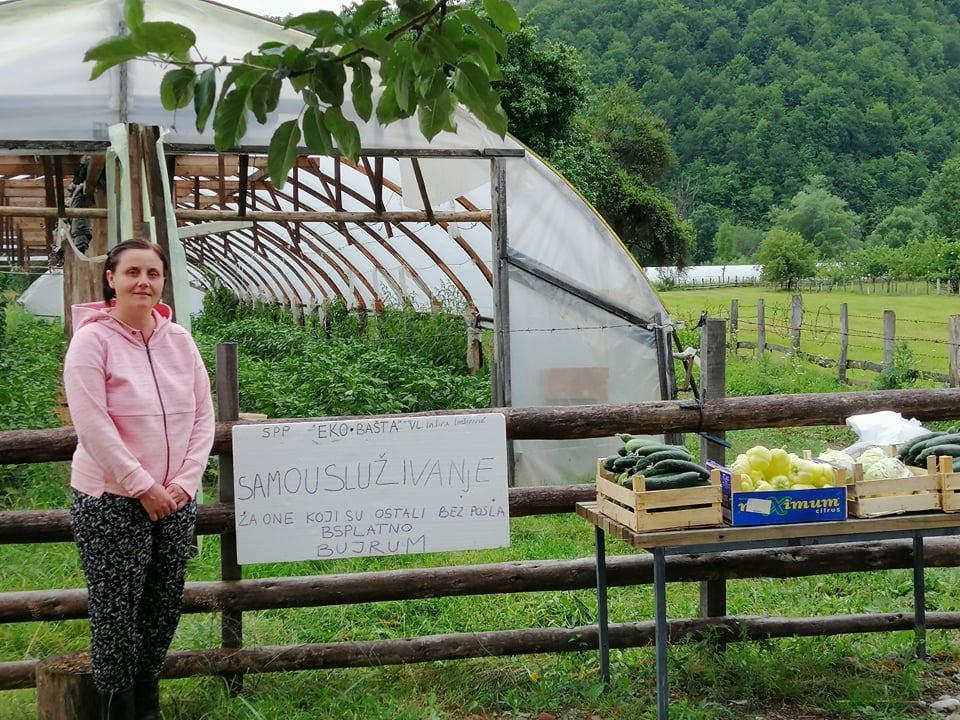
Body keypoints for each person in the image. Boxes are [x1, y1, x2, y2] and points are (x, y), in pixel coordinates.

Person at [63, 239, 215, 719]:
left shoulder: (180, 340)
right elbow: (92, 426)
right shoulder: (92, 341)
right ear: (111, 279)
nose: (143, 282)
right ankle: (118, 711)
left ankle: (147, 708)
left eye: (152, 272)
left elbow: (203, 416)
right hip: (111, 500)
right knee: (116, 615)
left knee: (163, 608)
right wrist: (141, 486)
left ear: (164, 280)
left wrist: (185, 483)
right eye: (132, 272)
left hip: (174, 499)